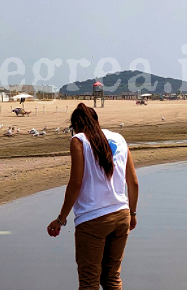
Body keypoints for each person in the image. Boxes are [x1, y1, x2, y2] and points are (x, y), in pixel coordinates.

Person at [47, 103, 139, 290]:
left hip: (92, 220)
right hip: (122, 215)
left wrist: (60, 219)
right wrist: (133, 213)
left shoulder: (78, 140)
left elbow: (75, 183)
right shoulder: (119, 138)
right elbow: (134, 182)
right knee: (112, 278)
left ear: (76, 126)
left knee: (89, 281)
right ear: (97, 121)